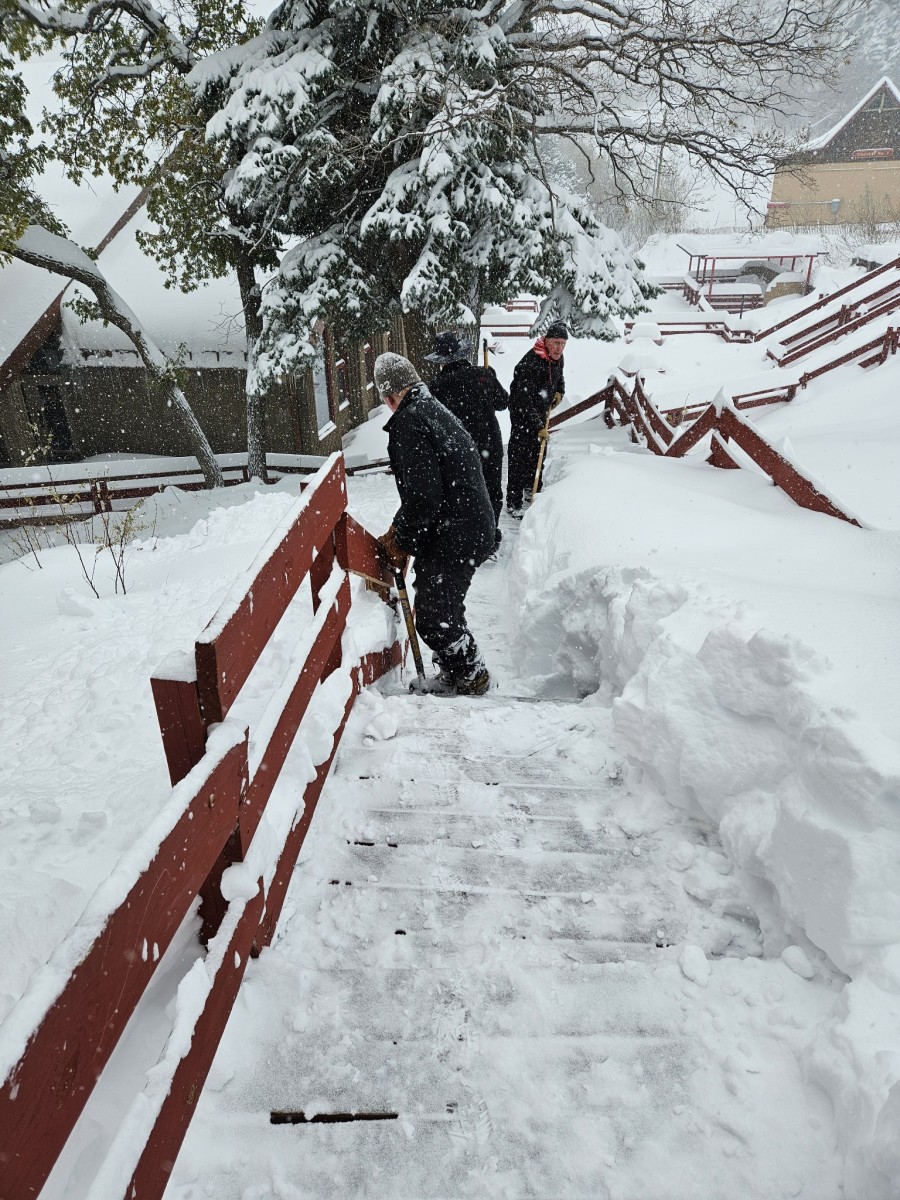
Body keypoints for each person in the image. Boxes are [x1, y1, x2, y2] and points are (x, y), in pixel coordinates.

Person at [373, 351, 496, 696]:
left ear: (389, 396)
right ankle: (458, 672)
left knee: (432, 615)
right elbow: (426, 492)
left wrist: (403, 539)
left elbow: (424, 496)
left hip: (457, 531)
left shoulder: (411, 421)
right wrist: (403, 530)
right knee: (443, 607)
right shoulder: (433, 409)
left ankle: (471, 675)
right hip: (465, 526)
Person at [425, 331, 508, 548]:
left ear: (441, 361)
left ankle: (468, 537)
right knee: (491, 491)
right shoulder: (483, 375)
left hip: (459, 451)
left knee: (465, 493)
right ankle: (489, 538)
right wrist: (491, 377)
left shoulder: (437, 387)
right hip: (490, 444)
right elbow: (503, 402)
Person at [506, 321, 568, 516]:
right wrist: (537, 425)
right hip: (522, 415)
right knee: (519, 458)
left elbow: (560, 377)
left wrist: (560, 391)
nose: (560, 348)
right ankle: (513, 503)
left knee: (537, 455)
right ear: (547, 341)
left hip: (540, 413)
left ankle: (532, 491)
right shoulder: (529, 364)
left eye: (563, 343)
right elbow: (523, 400)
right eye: (556, 343)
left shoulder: (558, 358)